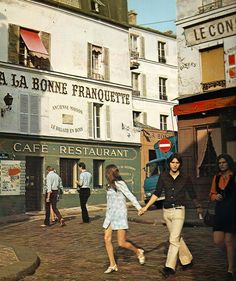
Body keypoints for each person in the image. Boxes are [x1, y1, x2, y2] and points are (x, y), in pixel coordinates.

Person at [139, 153, 202, 278]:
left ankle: (169, 267)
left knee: (173, 239)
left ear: (180, 164)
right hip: (166, 212)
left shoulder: (185, 177)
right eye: (172, 162)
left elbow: (192, 193)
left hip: (179, 210)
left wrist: (198, 206)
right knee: (177, 238)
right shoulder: (163, 176)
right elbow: (156, 193)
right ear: (169, 163)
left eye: (177, 163)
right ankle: (187, 260)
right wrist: (145, 207)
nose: (175, 165)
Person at [103, 164, 145, 274]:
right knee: (107, 239)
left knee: (121, 243)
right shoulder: (108, 185)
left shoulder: (120, 184)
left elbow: (130, 195)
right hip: (110, 215)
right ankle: (112, 264)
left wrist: (139, 208)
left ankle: (138, 251)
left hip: (120, 215)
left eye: (107, 173)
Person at [209, 154, 236, 281]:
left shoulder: (234, 176)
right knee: (218, 240)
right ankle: (233, 257)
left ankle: (230, 269)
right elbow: (212, 193)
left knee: (229, 241)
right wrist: (215, 197)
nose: (222, 164)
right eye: (220, 163)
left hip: (232, 211)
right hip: (220, 212)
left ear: (228, 163)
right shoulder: (216, 177)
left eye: (224, 162)